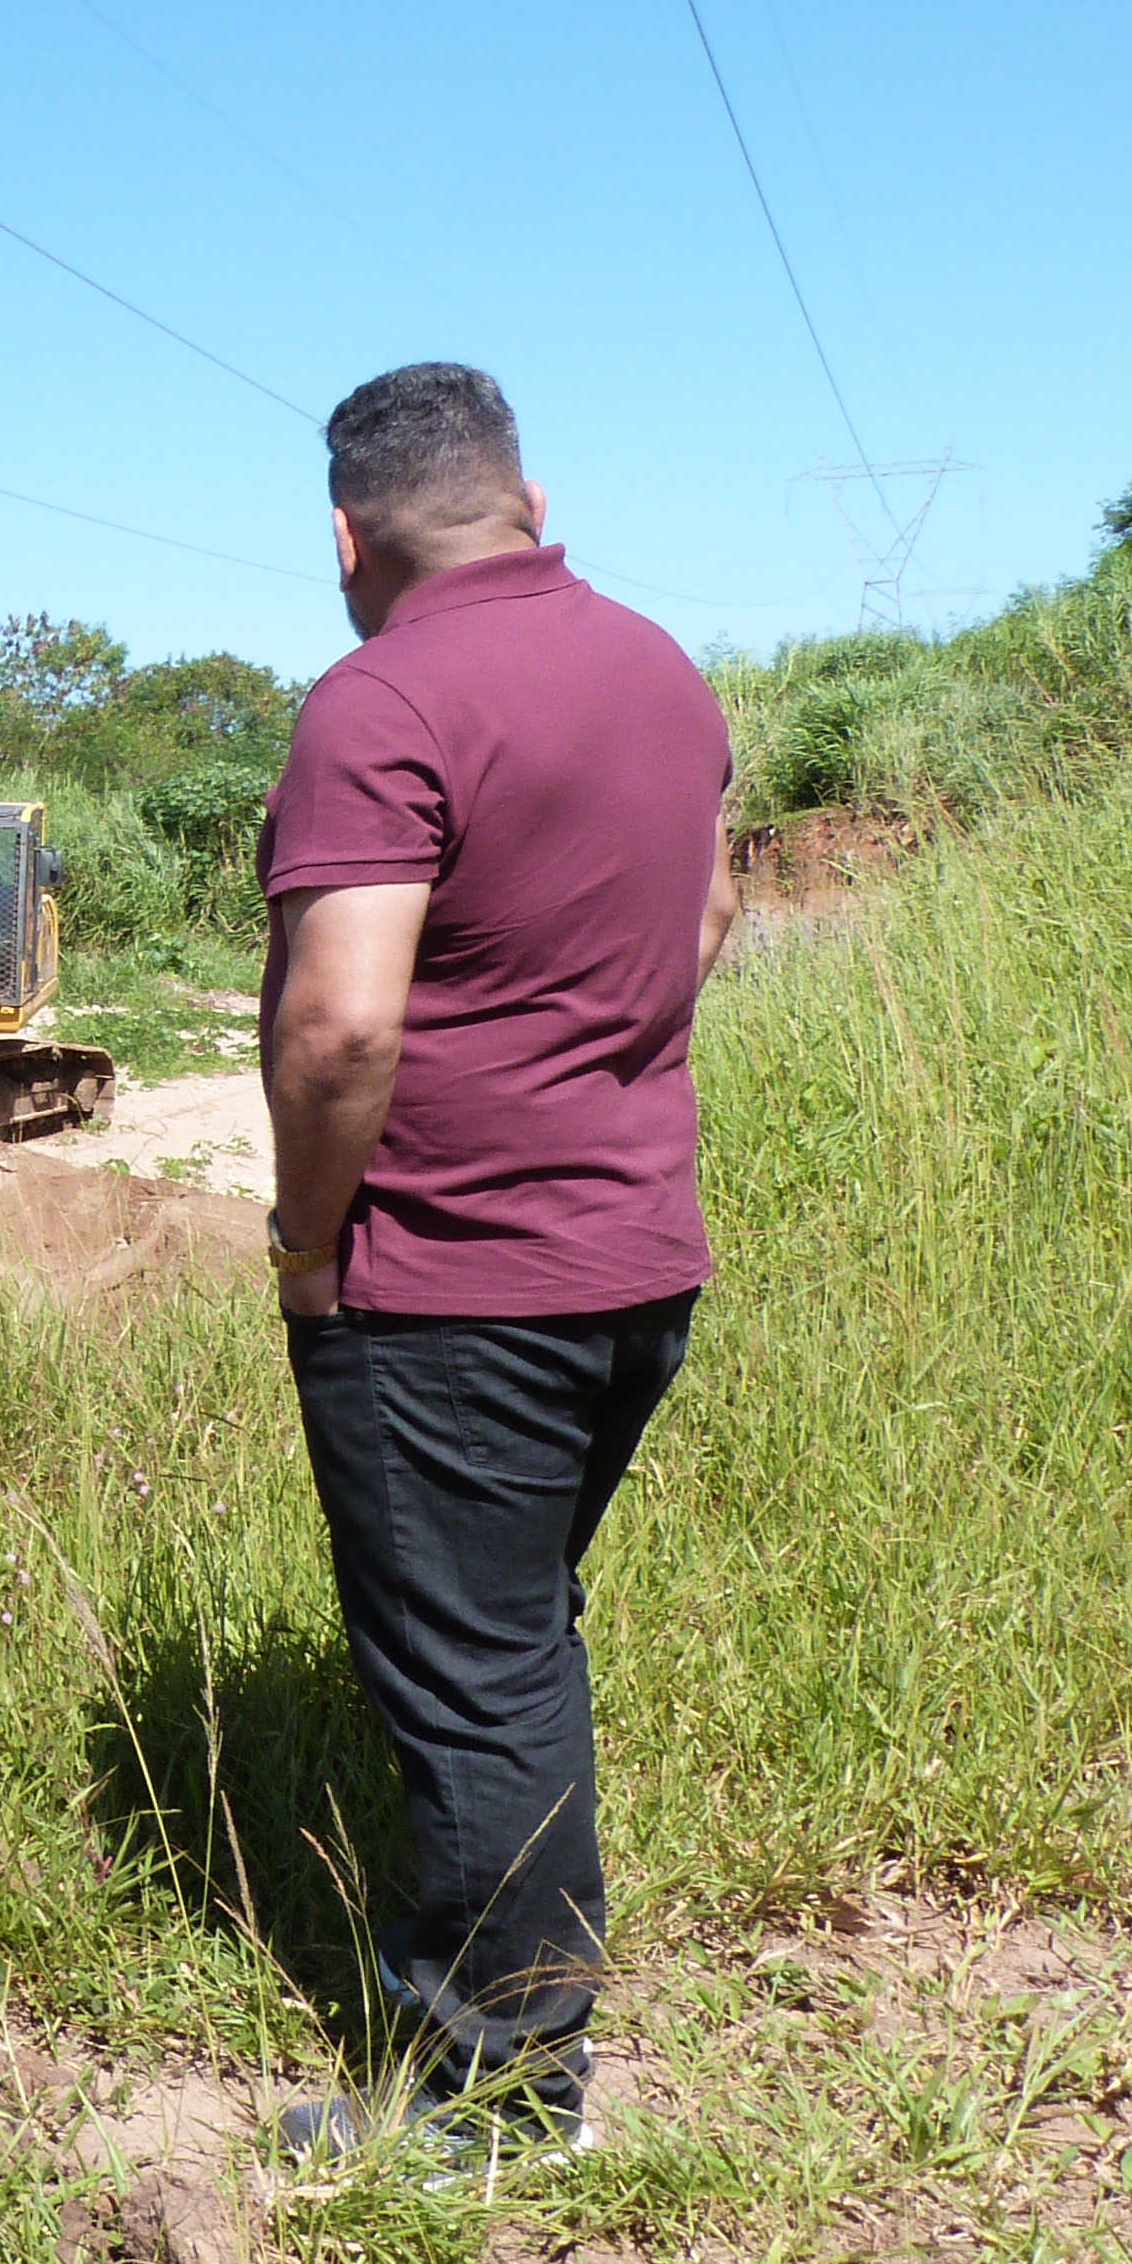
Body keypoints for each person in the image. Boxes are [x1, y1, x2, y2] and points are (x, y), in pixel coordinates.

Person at [256, 362, 736, 2159]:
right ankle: (497, 2004)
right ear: (531, 503)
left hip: (454, 1285)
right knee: (518, 1639)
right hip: (637, 1260)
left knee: (473, 1681)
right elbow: (704, 915)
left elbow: (342, 1030)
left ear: (345, 533)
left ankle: (496, 2103)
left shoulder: (379, 701)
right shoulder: (663, 672)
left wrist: (313, 1241)